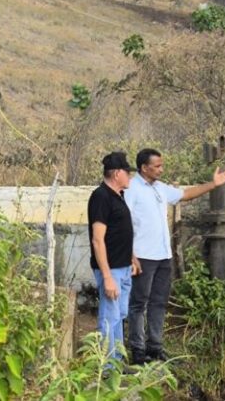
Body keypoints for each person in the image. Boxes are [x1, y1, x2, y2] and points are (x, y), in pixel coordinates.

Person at [125, 148, 225, 364]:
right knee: (139, 304)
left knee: (159, 302)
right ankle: (138, 352)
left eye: (161, 165)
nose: (161, 169)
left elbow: (184, 195)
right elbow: (124, 223)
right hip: (142, 256)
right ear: (144, 168)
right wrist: (131, 255)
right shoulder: (132, 189)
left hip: (162, 255)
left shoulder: (159, 188)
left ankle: (155, 348)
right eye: (157, 166)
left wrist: (213, 184)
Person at [87, 151, 141, 367]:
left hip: (123, 267)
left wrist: (131, 258)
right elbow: (98, 240)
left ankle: (117, 363)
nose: (130, 177)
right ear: (117, 173)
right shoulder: (101, 197)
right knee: (109, 317)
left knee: (119, 315)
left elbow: (120, 232)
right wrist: (107, 277)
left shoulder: (118, 196)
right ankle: (107, 367)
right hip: (111, 270)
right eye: (128, 173)